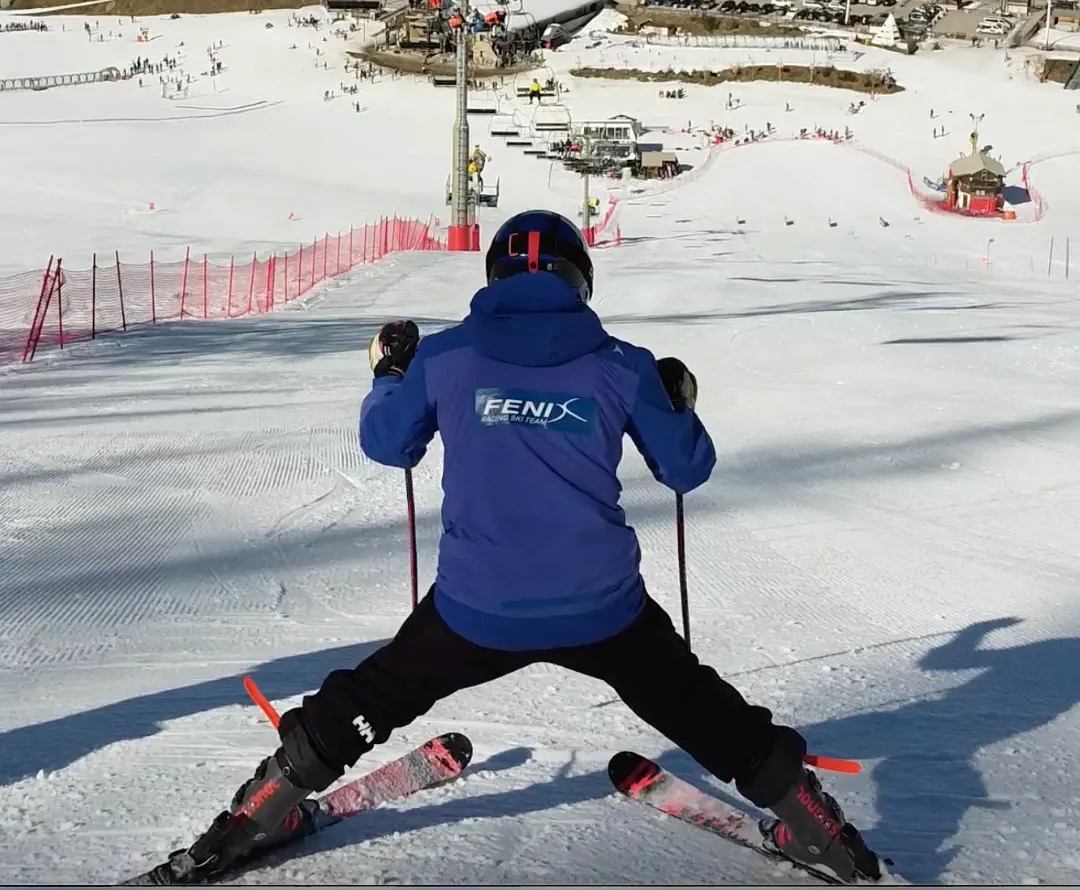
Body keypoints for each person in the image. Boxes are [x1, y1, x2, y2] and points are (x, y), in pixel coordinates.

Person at [148, 211, 882, 886]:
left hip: (476, 608)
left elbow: (386, 444)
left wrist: (389, 374)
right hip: (603, 609)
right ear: (581, 280)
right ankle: (814, 826)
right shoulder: (624, 365)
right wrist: (678, 400)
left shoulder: (444, 357)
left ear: (495, 279)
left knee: (371, 697)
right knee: (695, 705)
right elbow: (686, 469)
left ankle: (260, 813)